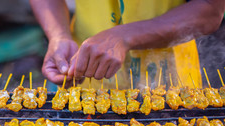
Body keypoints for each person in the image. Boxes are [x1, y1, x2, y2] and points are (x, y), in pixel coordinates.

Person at [29, 0, 225, 89]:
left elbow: (209, 9)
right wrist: (59, 35)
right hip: (82, 69)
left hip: (170, 81)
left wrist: (124, 36)